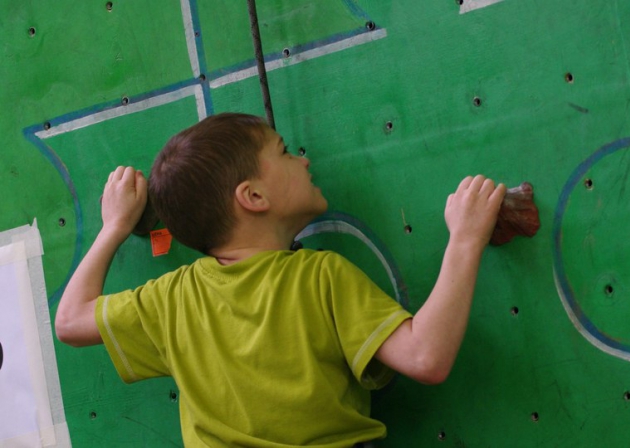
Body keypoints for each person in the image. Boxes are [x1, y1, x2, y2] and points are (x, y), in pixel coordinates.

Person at [55, 113, 506, 447]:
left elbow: (70, 322)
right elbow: (426, 356)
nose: (304, 161)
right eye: (285, 152)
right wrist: (466, 238)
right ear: (253, 196)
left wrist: (113, 226)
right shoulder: (320, 277)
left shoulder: (174, 298)